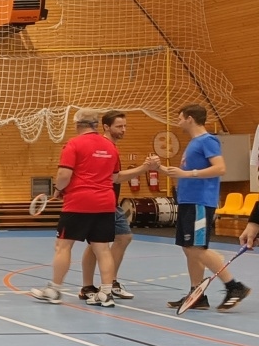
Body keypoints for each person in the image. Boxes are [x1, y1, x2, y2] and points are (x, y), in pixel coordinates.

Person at [161, 104, 248, 311]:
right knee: (188, 248)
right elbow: (184, 173)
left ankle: (234, 286)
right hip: (187, 201)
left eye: (180, 118)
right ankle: (197, 294)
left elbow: (220, 168)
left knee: (197, 248)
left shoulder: (208, 140)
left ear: (190, 118)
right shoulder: (193, 143)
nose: (178, 122)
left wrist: (188, 174)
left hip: (200, 201)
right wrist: (159, 168)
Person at [30, 110, 120, 305]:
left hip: (79, 203)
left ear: (77, 124)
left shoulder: (74, 144)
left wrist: (58, 190)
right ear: (96, 125)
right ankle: (106, 293)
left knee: (63, 246)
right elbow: (114, 177)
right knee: (103, 249)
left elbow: (64, 175)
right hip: (105, 203)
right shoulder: (111, 146)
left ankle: (54, 290)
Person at [77, 110, 156, 302]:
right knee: (103, 242)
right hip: (101, 201)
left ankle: (100, 283)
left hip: (111, 201)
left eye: (125, 126)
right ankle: (100, 284)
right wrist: (144, 168)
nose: (123, 129)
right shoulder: (104, 147)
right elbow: (115, 177)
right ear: (106, 127)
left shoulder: (111, 146)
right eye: (119, 126)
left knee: (112, 240)